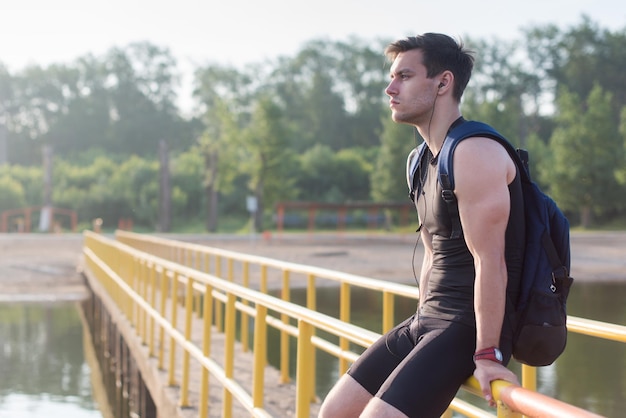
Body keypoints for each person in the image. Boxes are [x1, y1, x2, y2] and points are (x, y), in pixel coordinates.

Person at [318, 33, 523, 417]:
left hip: (466, 327)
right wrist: (418, 330)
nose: (389, 88)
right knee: (333, 412)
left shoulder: (474, 152)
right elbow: (432, 253)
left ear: (443, 82)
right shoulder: (420, 160)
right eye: (393, 77)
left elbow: (490, 262)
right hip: (426, 320)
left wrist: (489, 353)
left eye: (405, 76)